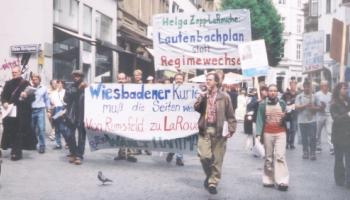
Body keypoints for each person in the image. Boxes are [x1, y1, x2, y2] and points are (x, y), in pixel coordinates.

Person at [194, 72, 236, 195]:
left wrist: (231, 128)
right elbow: (196, 108)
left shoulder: (224, 96)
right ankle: (209, 175)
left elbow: (230, 114)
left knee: (217, 159)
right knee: (204, 156)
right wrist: (202, 97)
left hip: (219, 130)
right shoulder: (203, 95)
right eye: (206, 79)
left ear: (216, 82)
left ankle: (213, 182)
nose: (207, 81)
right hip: (205, 129)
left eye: (210, 80)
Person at [256, 84, 289, 191]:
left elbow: (287, 116)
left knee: (280, 156)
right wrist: (258, 134)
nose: (273, 92)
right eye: (271, 90)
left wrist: (286, 115)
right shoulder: (262, 104)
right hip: (267, 133)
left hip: (281, 133)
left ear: (277, 92)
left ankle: (282, 181)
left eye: (275, 90)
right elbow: (260, 119)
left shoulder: (282, 103)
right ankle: (268, 179)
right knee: (268, 157)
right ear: (268, 92)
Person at [1, 66, 37, 161]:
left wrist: (26, 95)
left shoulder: (25, 83)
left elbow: (33, 98)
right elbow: (3, 96)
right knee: (11, 132)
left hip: (22, 113)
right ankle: (13, 149)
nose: (14, 74)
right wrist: (4, 102)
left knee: (18, 133)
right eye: (13, 72)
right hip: (10, 112)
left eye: (16, 72)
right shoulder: (8, 83)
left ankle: (16, 153)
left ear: (20, 72)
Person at [64, 70, 87, 165]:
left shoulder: (87, 87)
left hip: (83, 114)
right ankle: (73, 153)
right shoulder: (70, 86)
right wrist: (78, 89)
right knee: (69, 135)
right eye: (74, 76)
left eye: (78, 76)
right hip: (71, 114)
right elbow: (65, 98)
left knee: (81, 136)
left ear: (82, 77)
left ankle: (79, 155)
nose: (76, 78)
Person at [114, 72, 138, 162]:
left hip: (129, 115)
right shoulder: (113, 89)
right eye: (119, 79)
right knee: (120, 135)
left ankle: (130, 154)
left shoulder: (131, 89)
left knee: (130, 134)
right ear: (117, 79)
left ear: (126, 79)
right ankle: (121, 153)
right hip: (119, 115)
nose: (121, 80)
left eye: (122, 79)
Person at [330, 82, 350, 188]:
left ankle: (348, 181)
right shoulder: (334, 103)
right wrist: (347, 114)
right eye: (344, 88)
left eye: (347, 88)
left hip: (348, 134)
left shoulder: (348, 101)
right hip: (338, 135)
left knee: (349, 158)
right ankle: (339, 179)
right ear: (338, 90)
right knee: (339, 159)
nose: (346, 90)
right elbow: (336, 119)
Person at [295, 80, 318, 160]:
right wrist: (305, 105)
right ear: (303, 87)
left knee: (312, 137)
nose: (307, 88)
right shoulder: (299, 96)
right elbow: (297, 107)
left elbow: (318, 108)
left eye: (309, 87)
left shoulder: (314, 96)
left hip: (312, 120)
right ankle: (305, 152)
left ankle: (312, 152)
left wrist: (314, 108)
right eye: (306, 87)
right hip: (302, 120)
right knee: (304, 138)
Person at [165, 73, 185, 166]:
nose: (179, 80)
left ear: (183, 80)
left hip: (183, 118)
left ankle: (179, 158)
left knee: (181, 138)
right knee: (172, 137)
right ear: (175, 79)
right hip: (172, 117)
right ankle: (171, 151)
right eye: (177, 78)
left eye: (180, 79)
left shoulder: (188, 90)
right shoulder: (169, 89)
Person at [31, 73, 51, 153]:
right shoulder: (29, 87)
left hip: (40, 110)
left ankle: (42, 145)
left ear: (39, 80)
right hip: (31, 110)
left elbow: (46, 99)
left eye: (35, 79)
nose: (34, 81)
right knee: (32, 128)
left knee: (41, 129)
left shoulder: (44, 88)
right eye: (33, 79)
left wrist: (48, 110)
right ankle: (34, 143)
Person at [315, 80, 333, 154]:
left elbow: (332, 105)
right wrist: (319, 107)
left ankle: (332, 147)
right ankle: (318, 147)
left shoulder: (331, 95)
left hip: (328, 115)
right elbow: (313, 105)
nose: (325, 87)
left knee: (330, 132)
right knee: (318, 132)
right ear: (321, 86)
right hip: (319, 115)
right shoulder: (317, 95)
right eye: (323, 85)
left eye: (326, 85)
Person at [49, 79, 67, 149]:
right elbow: (51, 102)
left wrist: (64, 110)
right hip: (55, 109)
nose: (57, 84)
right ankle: (58, 144)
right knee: (57, 128)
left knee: (62, 128)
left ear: (62, 84)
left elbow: (66, 102)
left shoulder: (65, 92)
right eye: (57, 83)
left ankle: (68, 142)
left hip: (62, 109)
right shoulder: (53, 93)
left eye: (59, 83)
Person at [282, 80, 298, 150]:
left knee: (293, 130)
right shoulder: (286, 94)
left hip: (294, 114)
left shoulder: (298, 94)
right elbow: (281, 102)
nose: (293, 86)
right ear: (290, 85)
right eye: (292, 85)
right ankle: (286, 143)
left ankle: (292, 143)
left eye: (294, 85)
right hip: (287, 115)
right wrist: (286, 106)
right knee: (287, 129)